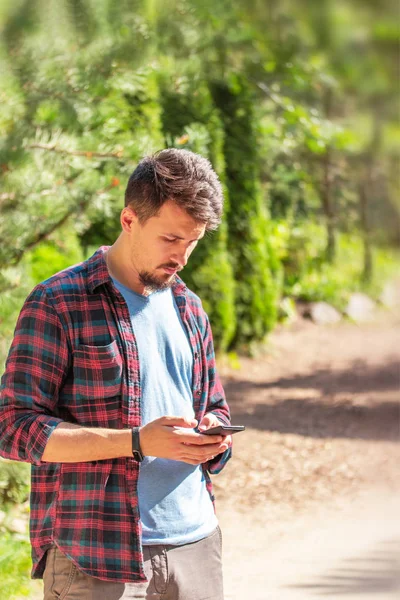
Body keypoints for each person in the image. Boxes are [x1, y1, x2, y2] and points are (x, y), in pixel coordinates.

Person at [0, 148, 233, 600]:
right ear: (129, 219)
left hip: (197, 544)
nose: (182, 256)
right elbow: (13, 427)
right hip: (96, 555)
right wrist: (135, 442)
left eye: (193, 241)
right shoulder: (59, 301)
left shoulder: (189, 306)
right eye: (171, 239)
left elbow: (214, 407)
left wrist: (214, 435)